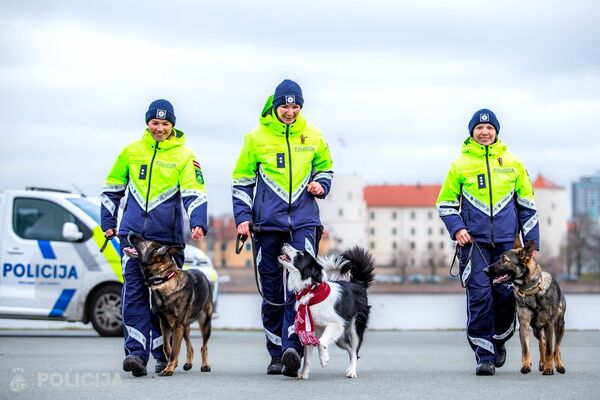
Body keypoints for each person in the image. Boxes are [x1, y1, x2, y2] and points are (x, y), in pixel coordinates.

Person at [231, 79, 334, 377]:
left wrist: (321, 184)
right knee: (273, 292)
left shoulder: (313, 135)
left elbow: (326, 166)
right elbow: (241, 182)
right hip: (267, 226)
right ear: (275, 107)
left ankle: (292, 348)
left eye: (295, 106)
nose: (290, 112)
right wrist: (242, 217)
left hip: (304, 222)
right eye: (285, 106)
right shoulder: (255, 139)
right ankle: (276, 352)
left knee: (302, 289)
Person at [101, 99, 208, 377]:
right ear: (148, 123)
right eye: (155, 123)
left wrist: (198, 222)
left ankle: (162, 353)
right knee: (134, 295)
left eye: (165, 123)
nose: (159, 128)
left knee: (167, 303)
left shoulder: (185, 155)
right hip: (133, 237)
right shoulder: (131, 151)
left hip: (167, 243)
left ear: (172, 125)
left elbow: (195, 193)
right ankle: (136, 354)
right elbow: (112, 188)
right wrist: (108, 222)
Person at [436, 108, 539, 376]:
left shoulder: (514, 163)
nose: (484, 132)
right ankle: (484, 355)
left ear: (496, 132)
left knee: (505, 297)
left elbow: (528, 206)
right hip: (475, 245)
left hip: (507, 246)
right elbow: (445, 204)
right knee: (480, 297)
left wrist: (532, 245)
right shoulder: (459, 165)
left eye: (489, 128)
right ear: (472, 132)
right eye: (479, 129)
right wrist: (457, 228)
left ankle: (498, 340)